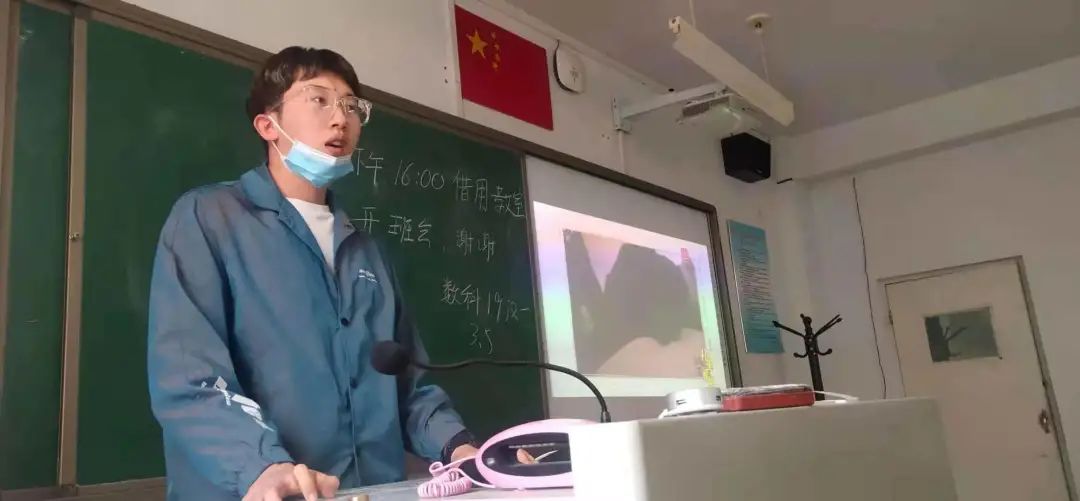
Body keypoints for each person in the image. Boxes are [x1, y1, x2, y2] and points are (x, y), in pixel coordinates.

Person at [147, 47, 478, 501]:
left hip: (371, 491)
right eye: (319, 99)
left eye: (351, 106)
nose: (340, 118)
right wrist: (263, 466)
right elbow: (191, 377)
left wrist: (461, 448)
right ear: (268, 125)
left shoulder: (366, 252)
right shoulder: (209, 219)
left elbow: (408, 387)